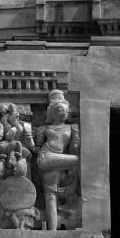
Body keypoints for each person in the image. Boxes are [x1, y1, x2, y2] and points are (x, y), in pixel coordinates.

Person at [35, 90, 80, 230]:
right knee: (76, 160)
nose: (64, 112)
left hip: (58, 162)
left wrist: (76, 140)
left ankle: (52, 232)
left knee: (51, 194)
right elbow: (36, 148)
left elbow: (73, 149)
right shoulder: (45, 128)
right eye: (60, 109)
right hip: (45, 157)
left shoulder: (72, 127)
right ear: (53, 112)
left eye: (66, 110)